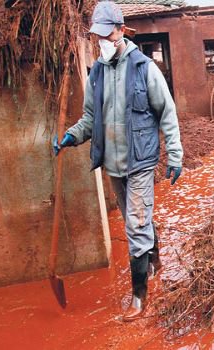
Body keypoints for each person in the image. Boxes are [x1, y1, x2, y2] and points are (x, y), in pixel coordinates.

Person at [53, 1, 183, 321]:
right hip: (112, 164)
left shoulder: (144, 68)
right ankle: (153, 256)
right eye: (97, 36)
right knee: (135, 218)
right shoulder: (96, 72)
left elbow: (166, 113)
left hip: (139, 160)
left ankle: (139, 296)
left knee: (136, 224)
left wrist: (176, 154)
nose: (102, 41)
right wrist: (71, 136)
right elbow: (89, 118)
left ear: (121, 30)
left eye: (107, 34)